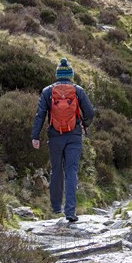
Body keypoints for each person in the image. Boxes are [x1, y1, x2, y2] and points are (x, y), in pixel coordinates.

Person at [31, 58, 94, 222]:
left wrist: (35, 136)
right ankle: (70, 211)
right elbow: (90, 113)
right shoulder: (78, 91)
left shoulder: (47, 92)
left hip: (54, 136)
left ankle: (55, 208)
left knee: (56, 170)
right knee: (71, 171)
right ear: (71, 75)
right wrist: (83, 125)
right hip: (74, 135)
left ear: (57, 75)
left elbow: (40, 115)